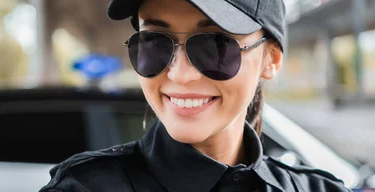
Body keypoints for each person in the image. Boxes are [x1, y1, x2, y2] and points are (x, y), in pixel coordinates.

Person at [40, 0, 351, 191]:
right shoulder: (84, 188)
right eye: (155, 42)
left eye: (215, 45)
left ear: (271, 59)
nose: (180, 74)